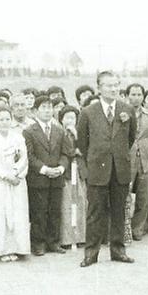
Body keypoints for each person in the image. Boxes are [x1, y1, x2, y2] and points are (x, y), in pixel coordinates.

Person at [76, 71, 137, 267]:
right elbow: (83, 142)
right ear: (99, 88)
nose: (113, 88)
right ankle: (91, 253)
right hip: (97, 170)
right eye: (108, 85)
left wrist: (117, 155)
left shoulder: (127, 109)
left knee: (119, 211)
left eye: (116, 84)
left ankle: (118, 250)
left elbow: (130, 138)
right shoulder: (88, 112)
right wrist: (96, 159)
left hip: (120, 169)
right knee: (95, 212)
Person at [0, 107, 30, 261]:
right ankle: (1, 250)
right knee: (0, 213)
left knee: (17, 213)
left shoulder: (18, 138)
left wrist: (16, 173)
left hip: (16, 181)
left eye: (7, 119)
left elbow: (23, 158)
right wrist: (5, 175)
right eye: (1, 119)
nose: (4, 122)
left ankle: (17, 248)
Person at [24, 96, 69, 256]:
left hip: (57, 177)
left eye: (50, 107)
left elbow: (65, 153)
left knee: (55, 211)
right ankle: (38, 243)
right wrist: (44, 169)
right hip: (39, 178)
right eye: (43, 107)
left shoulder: (59, 130)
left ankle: (53, 242)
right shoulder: (29, 131)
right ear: (35, 111)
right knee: (39, 211)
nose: (47, 110)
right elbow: (29, 156)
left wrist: (61, 168)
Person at [129, 88, 148, 240]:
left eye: (139, 95)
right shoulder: (123, 113)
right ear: (127, 96)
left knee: (143, 196)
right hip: (127, 159)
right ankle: (124, 228)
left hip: (145, 159)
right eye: (133, 94)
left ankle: (137, 228)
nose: (136, 98)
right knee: (125, 195)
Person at [59, 106, 87, 248]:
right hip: (67, 172)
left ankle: (81, 236)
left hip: (79, 170)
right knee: (67, 204)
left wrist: (77, 138)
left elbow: (84, 149)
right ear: (62, 119)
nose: (70, 120)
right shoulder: (59, 133)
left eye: (73, 118)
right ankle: (67, 239)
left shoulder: (80, 133)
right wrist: (72, 151)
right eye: (67, 117)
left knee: (81, 202)